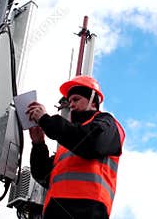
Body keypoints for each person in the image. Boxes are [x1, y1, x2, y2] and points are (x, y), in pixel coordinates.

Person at [26, 75, 125, 219]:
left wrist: (46, 120)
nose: (71, 104)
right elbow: (42, 175)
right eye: (70, 100)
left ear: (93, 101)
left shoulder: (107, 124)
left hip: (88, 210)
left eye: (76, 99)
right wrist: (38, 144)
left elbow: (92, 144)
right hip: (54, 211)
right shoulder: (67, 145)